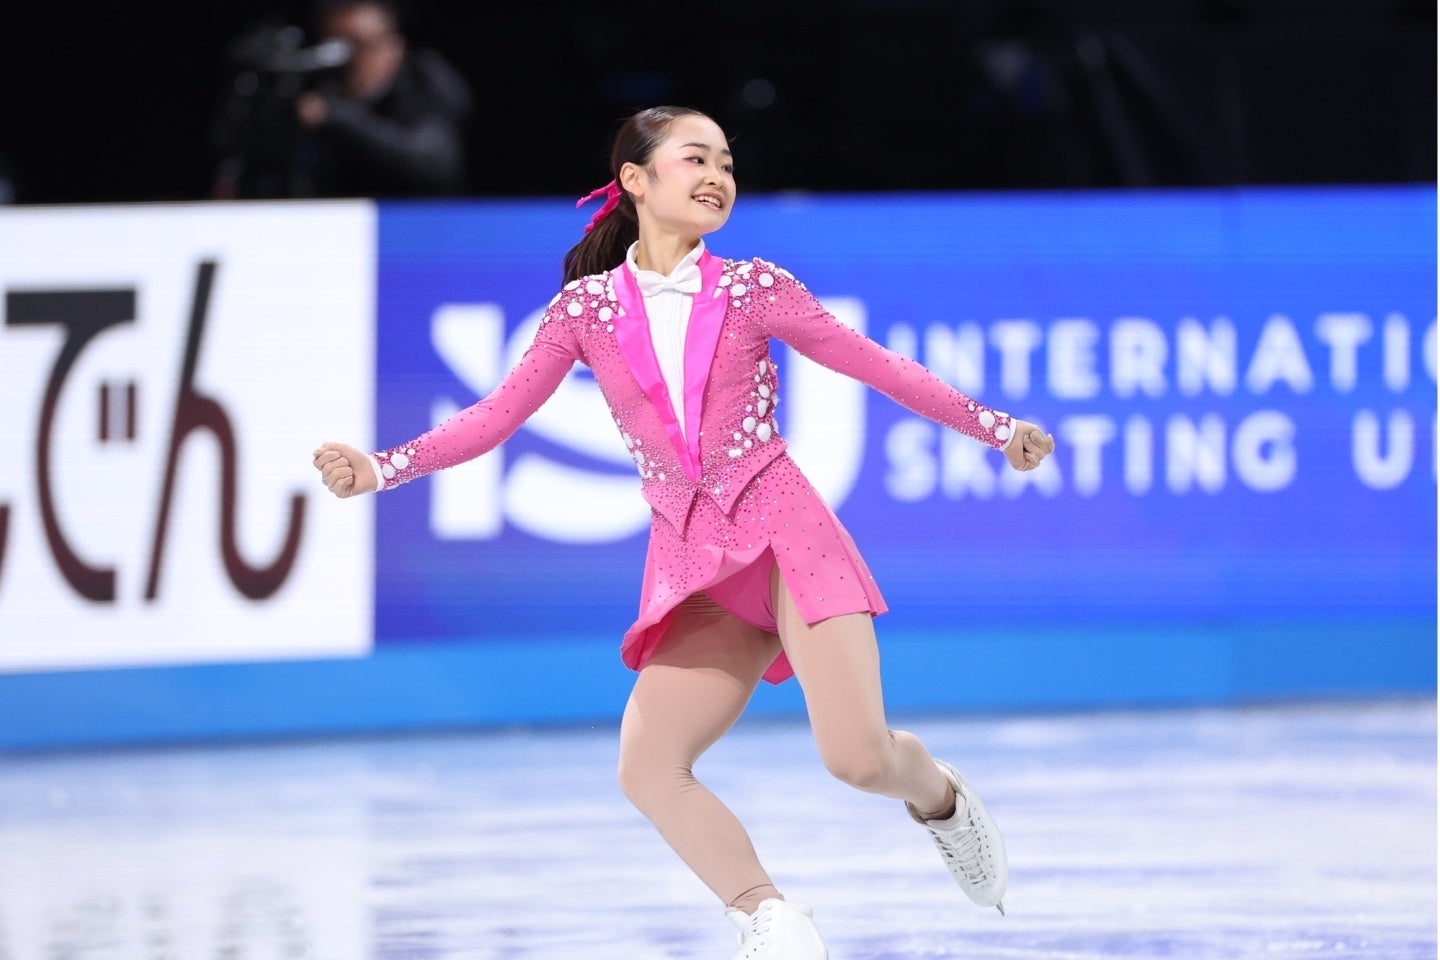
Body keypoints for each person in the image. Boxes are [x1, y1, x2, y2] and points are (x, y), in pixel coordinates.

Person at [313, 105, 1056, 959]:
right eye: (696, 159)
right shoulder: (584, 310)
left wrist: (995, 428)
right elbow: (495, 416)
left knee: (857, 761)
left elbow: (876, 365)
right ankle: (767, 916)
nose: (717, 177)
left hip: (787, 543)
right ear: (635, 179)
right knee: (646, 765)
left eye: (727, 164)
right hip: (695, 566)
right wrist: (381, 468)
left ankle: (939, 799)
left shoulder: (754, 288)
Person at [212, 0, 471, 200]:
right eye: (337, 48)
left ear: (394, 47)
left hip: (411, 230)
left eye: (361, 46)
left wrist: (340, 118)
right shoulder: (313, 88)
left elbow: (435, 165)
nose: (350, 63)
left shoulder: (420, 83)